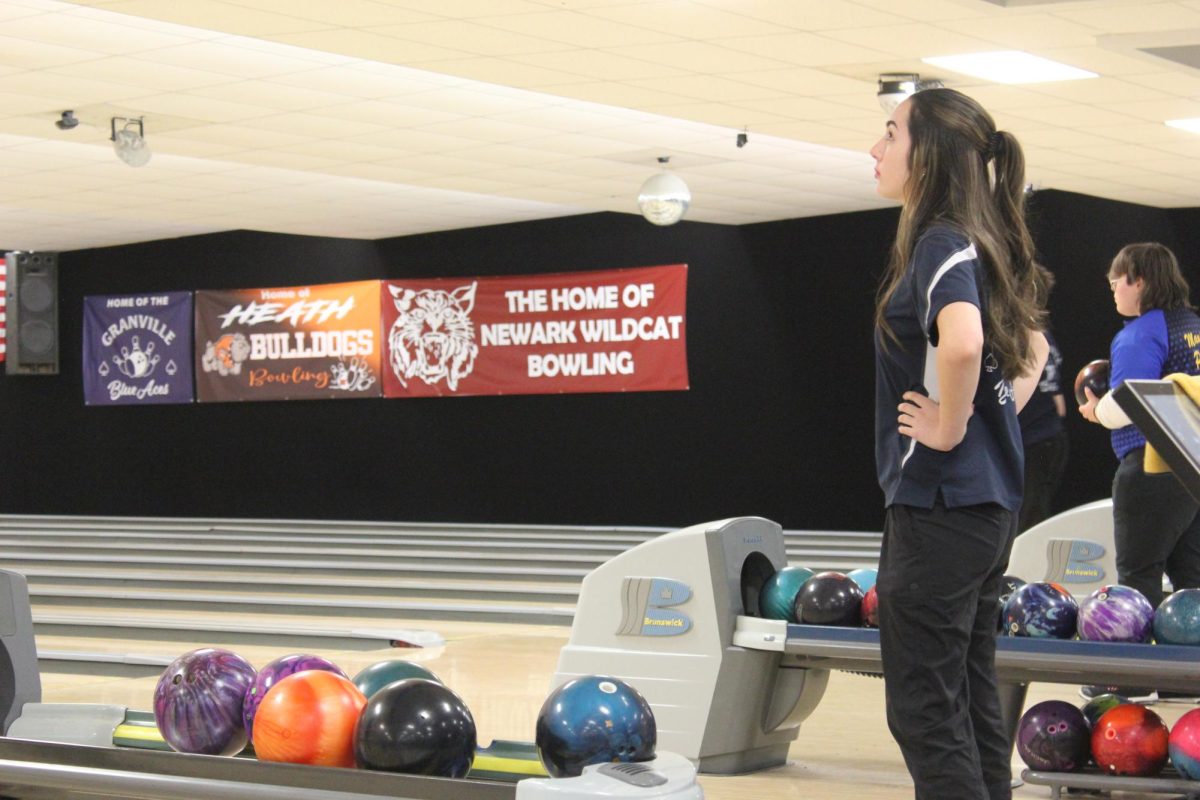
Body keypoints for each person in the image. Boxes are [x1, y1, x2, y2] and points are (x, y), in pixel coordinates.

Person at [869, 87, 1048, 800]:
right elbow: (1032, 349)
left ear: (930, 156)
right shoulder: (986, 240)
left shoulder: (941, 240)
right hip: (989, 507)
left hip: (940, 508)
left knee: (925, 714)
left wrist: (949, 423)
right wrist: (986, 421)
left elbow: (967, 342)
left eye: (889, 133)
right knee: (971, 711)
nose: (875, 149)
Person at [1078, 243, 1200, 611]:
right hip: (1192, 465)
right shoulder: (1192, 324)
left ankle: (1139, 667)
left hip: (1152, 464)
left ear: (1139, 281)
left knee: (1137, 577)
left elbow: (1131, 401)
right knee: (1191, 581)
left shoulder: (1141, 332)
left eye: (1116, 282)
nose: (1113, 290)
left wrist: (1098, 412)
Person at [1018, 317, 1069, 532]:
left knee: (1029, 519)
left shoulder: (1020, 335)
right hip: (1049, 437)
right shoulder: (1041, 333)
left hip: (1037, 440)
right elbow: (1061, 406)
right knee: (1032, 513)